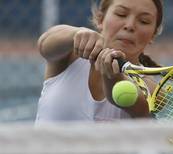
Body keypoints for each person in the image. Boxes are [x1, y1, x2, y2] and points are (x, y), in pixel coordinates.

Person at [35, 0, 163, 123]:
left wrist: (113, 76)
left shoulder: (152, 89)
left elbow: (136, 105)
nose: (130, 26)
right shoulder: (70, 56)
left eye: (144, 21)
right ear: (101, 19)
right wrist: (76, 33)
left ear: (153, 35)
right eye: (121, 14)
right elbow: (45, 44)